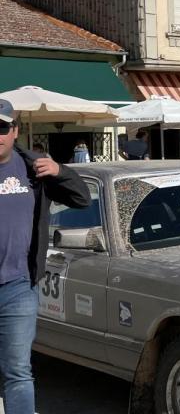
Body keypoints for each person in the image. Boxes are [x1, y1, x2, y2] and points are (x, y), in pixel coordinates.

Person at [0, 98, 90, 413]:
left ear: (14, 130)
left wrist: (60, 171)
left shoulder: (34, 168)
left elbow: (81, 198)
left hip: (18, 287)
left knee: (18, 371)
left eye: (1, 127)